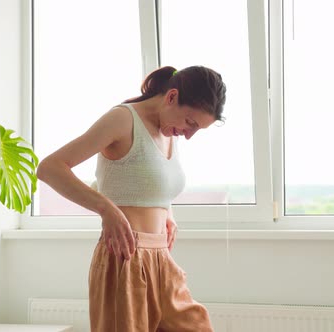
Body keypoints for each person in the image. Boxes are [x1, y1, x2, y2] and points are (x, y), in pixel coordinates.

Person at [36, 65, 226, 331]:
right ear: (171, 97)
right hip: (124, 257)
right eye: (190, 123)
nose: (189, 134)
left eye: (197, 130)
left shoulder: (170, 131)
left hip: (161, 258)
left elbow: (144, 180)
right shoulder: (122, 119)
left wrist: (167, 212)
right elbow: (50, 168)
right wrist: (107, 209)